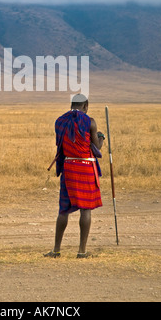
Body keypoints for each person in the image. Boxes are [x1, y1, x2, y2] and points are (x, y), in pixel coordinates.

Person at [45, 94, 105, 259]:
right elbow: (96, 149)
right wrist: (101, 137)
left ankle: (56, 250)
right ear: (86, 105)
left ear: (71, 104)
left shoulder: (60, 121)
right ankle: (82, 251)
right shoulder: (90, 122)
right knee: (85, 209)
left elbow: (62, 145)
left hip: (69, 168)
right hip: (86, 168)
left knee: (63, 209)